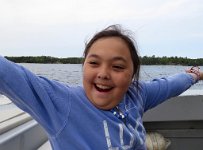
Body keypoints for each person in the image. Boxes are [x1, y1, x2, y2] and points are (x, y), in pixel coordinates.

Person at [0, 25, 203, 150]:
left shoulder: (137, 95)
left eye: (117, 66)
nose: (103, 73)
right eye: (94, 63)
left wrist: (194, 74)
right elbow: (8, 74)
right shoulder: (63, 103)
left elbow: (169, 85)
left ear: (132, 75)